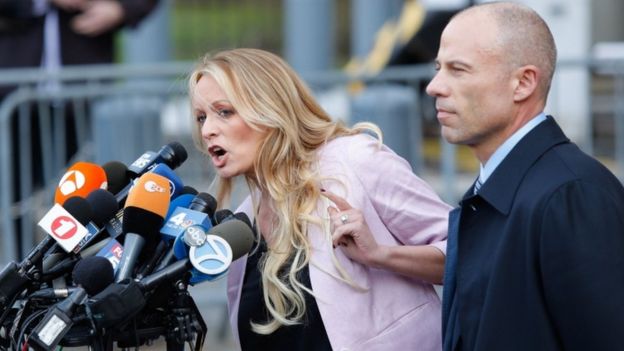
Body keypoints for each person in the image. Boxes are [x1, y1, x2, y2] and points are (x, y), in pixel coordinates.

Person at [188, 48, 451, 350]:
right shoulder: (244, 219)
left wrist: (380, 255)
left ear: (270, 107)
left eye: (225, 112)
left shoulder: (355, 160)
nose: (207, 130)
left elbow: (469, 253)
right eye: (200, 117)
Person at [426, 2, 624, 351]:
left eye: (458, 70)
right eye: (439, 68)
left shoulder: (571, 195)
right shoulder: (502, 189)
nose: (434, 86)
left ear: (523, 83)